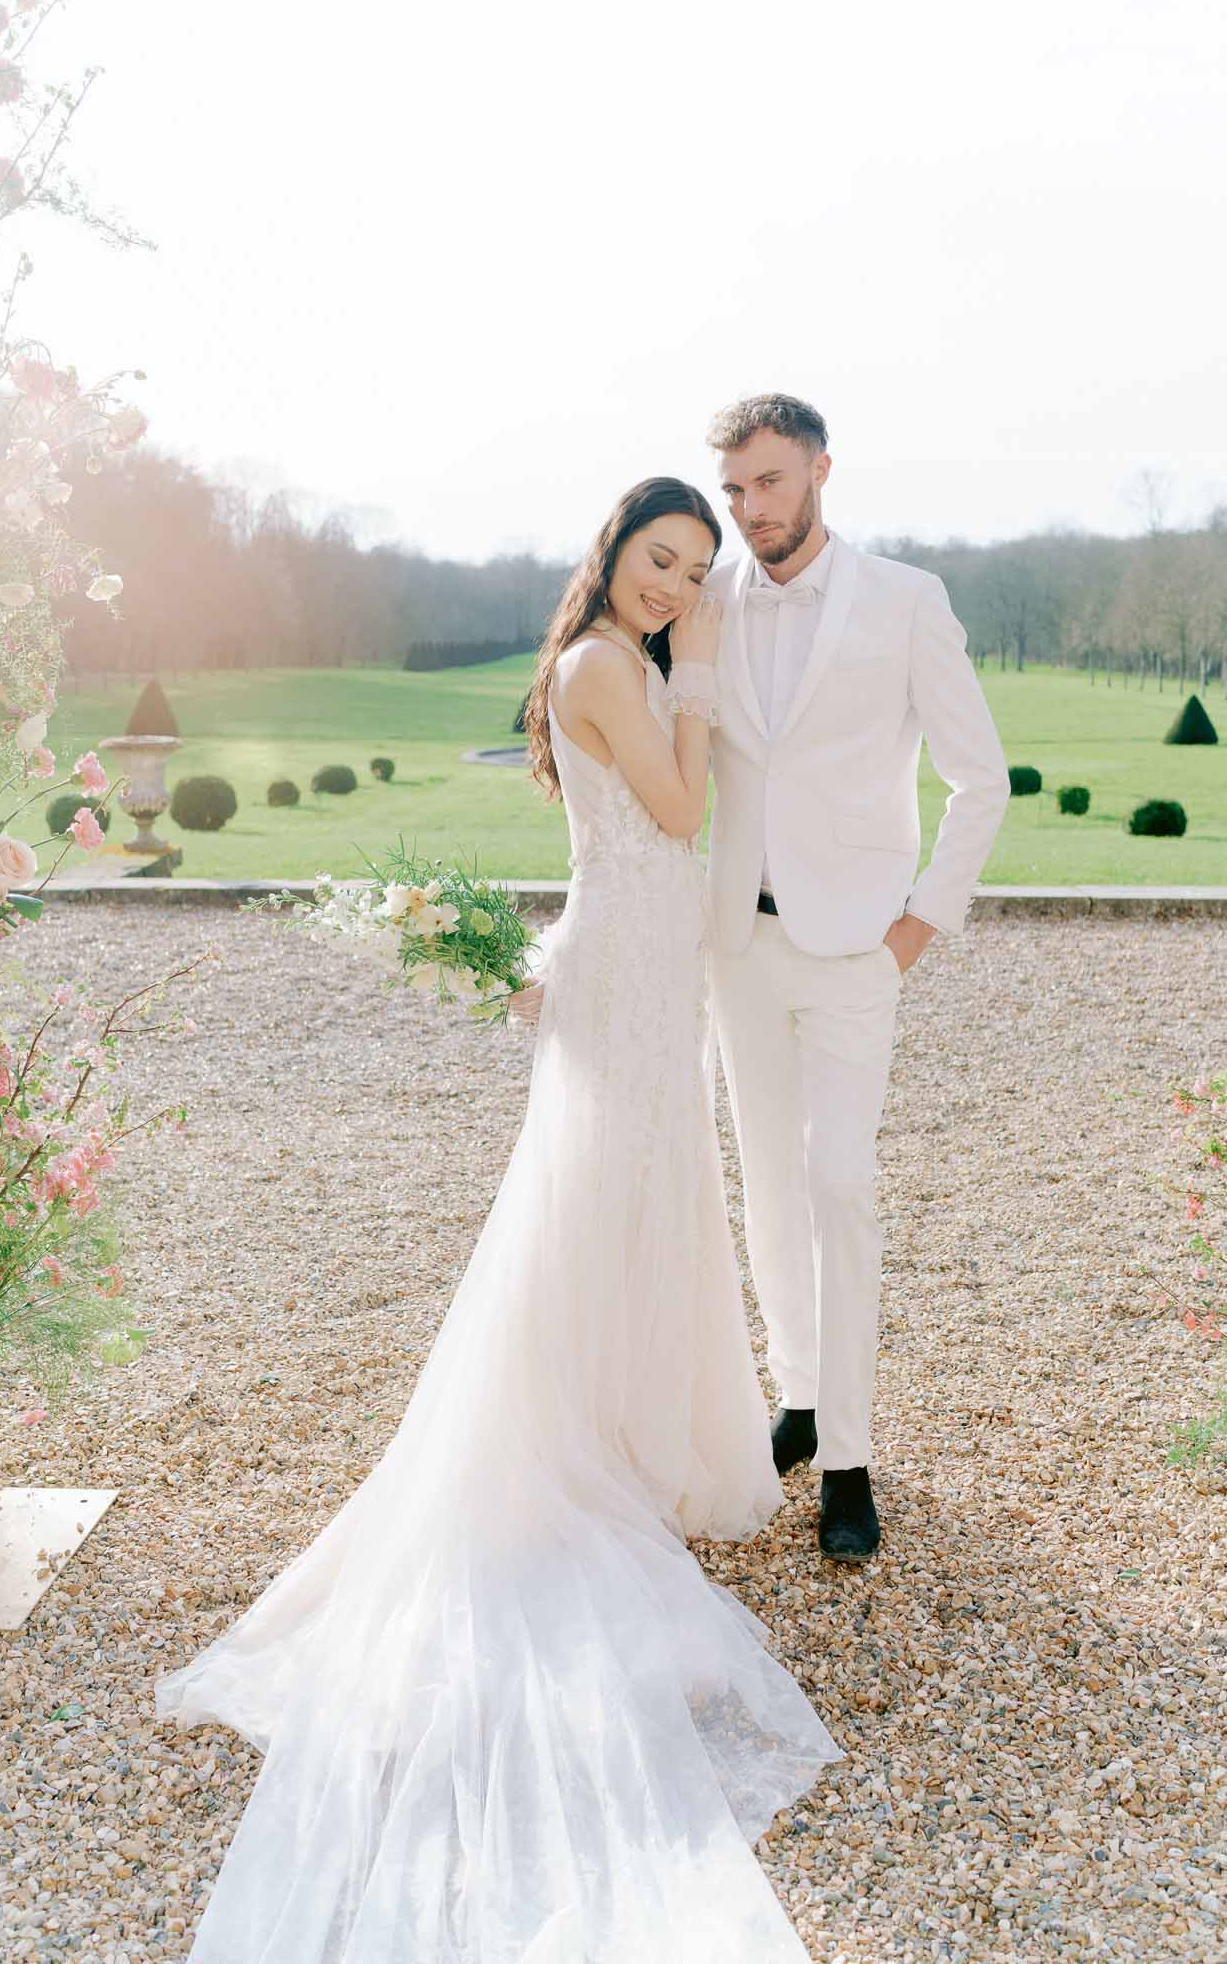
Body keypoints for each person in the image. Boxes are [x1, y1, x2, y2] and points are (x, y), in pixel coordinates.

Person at [155, 476, 839, 1963]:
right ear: (615, 556)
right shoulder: (610, 662)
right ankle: (570, 1446)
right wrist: (705, 685)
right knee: (603, 1203)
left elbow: (627, 847)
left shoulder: (612, 661)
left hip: (634, 973)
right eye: (662, 562)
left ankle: (636, 1434)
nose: (677, 587)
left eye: (693, 572)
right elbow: (673, 806)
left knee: (644, 1201)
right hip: (628, 985)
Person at [702, 394, 1010, 1561]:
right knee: (768, 1185)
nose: (751, 510)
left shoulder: (905, 599)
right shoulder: (706, 603)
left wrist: (919, 924)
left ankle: (850, 1456)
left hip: (856, 950)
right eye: (735, 489)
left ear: (822, 469)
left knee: (841, 1182)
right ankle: (797, 1393)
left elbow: (981, 779)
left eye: (770, 482)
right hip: (741, 944)